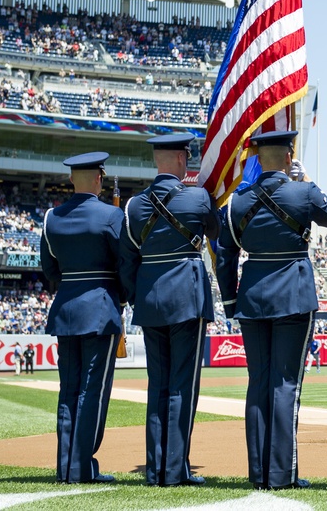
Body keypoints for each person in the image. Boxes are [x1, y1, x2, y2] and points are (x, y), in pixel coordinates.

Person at [216, 130, 327, 491]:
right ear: (289, 157)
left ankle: (258, 472)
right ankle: (282, 473)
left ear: (257, 159)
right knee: (286, 385)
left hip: (253, 296)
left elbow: (226, 256)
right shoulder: (303, 192)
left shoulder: (238, 202)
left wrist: (230, 301)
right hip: (294, 295)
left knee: (259, 384)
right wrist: (306, 181)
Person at [119, 133, 219, 487]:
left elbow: (127, 260)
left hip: (150, 301)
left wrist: (136, 296)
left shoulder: (134, 206)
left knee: (157, 385)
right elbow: (215, 229)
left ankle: (155, 468)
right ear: (181, 159)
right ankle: (176, 469)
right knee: (182, 386)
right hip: (187, 300)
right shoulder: (197, 198)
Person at [40, 151, 124, 484]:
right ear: (100, 179)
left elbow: (49, 270)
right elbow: (125, 265)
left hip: (66, 309)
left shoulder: (51, 217)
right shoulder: (111, 216)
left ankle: (65, 467)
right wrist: (122, 296)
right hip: (100, 309)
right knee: (93, 391)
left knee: (69, 389)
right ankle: (82, 465)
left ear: (72, 178)